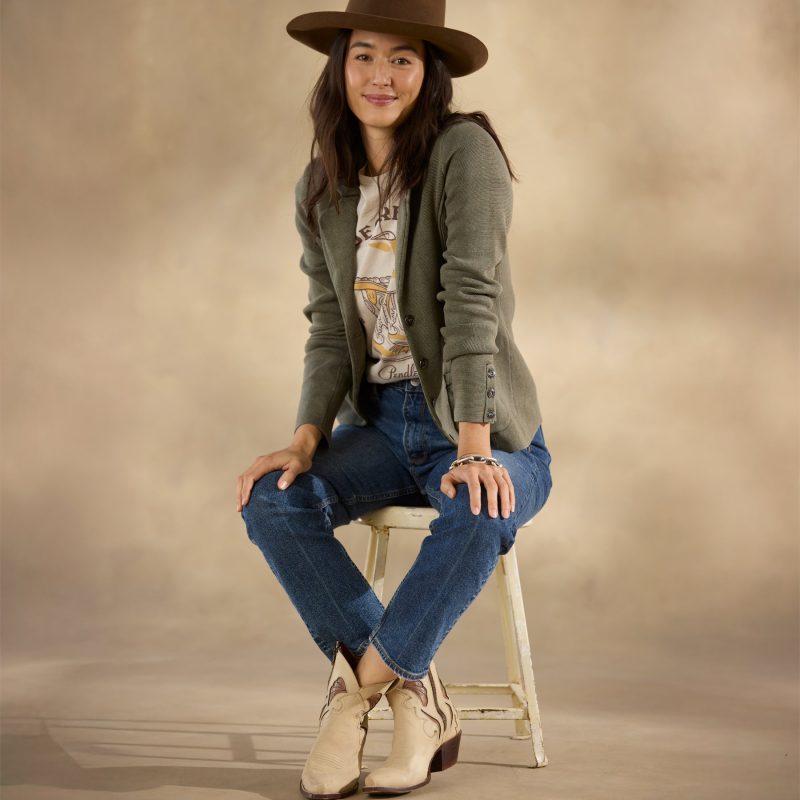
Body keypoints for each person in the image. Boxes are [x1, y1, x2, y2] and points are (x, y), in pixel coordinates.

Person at [236, 2, 553, 797]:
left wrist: (475, 446)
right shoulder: (321, 187)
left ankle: (353, 699)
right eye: (365, 55)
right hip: (381, 427)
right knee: (273, 499)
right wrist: (305, 439)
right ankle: (420, 694)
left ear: (428, 72)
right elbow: (329, 329)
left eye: (403, 58)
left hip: (484, 427)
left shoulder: (463, 153)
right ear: (340, 66)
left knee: (481, 506)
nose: (381, 75)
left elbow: (472, 301)